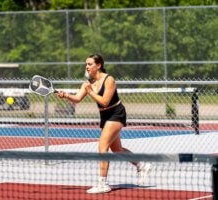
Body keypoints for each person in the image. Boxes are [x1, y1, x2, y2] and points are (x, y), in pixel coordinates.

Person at [56, 54, 151, 194]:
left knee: (102, 147)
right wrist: (66, 95)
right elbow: (76, 99)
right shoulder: (87, 83)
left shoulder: (109, 79)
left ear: (98, 65)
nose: (87, 67)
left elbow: (105, 101)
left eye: (90, 64)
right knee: (117, 149)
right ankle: (142, 165)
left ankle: (103, 184)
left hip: (116, 113)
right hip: (105, 116)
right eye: (86, 64)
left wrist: (90, 91)